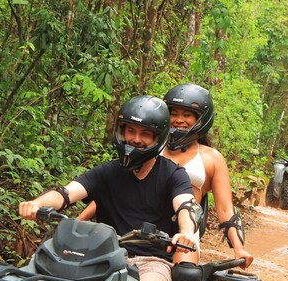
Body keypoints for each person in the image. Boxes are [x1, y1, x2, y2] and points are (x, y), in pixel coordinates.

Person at [19, 95, 200, 281]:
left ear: (158, 138)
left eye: (145, 134)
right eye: (131, 131)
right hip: (100, 256)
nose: (135, 139)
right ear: (121, 132)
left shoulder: (173, 174)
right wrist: (37, 204)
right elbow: (66, 193)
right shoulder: (108, 171)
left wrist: (186, 232)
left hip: (150, 262)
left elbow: (186, 205)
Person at [80, 83, 254, 269]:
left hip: (182, 234)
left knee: (184, 276)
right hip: (135, 228)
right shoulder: (149, 148)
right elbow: (112, 191)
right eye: (174, 113)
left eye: (187, 114)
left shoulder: (212, 158)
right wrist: (78, 223)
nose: (179, 120)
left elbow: (226, 210)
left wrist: (238, 248)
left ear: (201, 119)